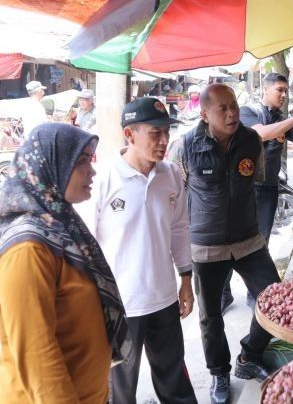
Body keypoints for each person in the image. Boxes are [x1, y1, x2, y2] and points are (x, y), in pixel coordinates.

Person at [0, 123, 131, 402]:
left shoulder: (61, 225)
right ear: (51, 166)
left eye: (89, 160)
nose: (91, 171)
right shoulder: (27, 249)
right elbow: (36, 355)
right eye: (81, 161)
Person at [169, 84, 280, 404]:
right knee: (210, 315)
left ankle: (250, 355)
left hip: (249, 240)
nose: (232, 114)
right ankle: (219, 373)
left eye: (234, 106)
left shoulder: (251, 140)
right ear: (204, 114)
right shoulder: (185, 146)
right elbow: (175, 198)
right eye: (223, 109)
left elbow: (256, 180)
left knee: (274, 299)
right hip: (206, 246)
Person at [90, 97, 197, 404]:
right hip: (121, 304)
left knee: (173, 376)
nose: (164, 141)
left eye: (167, 132)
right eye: (155, 133)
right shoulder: (103, 179)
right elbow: (88, 246)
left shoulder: (171, 175)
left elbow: (179, 229)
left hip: (163, 298)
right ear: (129, 135)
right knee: (120, 388)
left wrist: (186, 280)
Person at [234, 73, 293, 307]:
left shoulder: (283, 119)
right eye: (279, 90)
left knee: (261, 241)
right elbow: (261, 134)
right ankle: (224, 291)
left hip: (268, 187)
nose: (284, 95)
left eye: (286, 90)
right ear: (265, 89)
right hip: (244, 187)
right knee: (233, 241)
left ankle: (254, 294)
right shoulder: (249, 111)